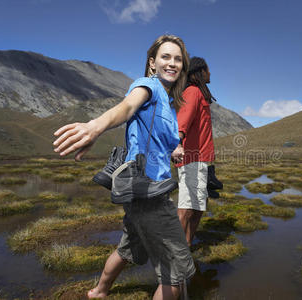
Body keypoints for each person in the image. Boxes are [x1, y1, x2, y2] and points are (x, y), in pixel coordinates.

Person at [53, 35, 195, 300]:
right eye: (166, 57)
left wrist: (173, 150)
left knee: (127, 248)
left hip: (136, 193)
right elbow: (127, 107)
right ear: (152, 63)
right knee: (176, 272)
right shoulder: (147, 86)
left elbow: (152, 138)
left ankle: (99, 291)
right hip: (150, 194)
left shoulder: (166, 100)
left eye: (178, 59)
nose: (172, 63)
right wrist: (95, 126)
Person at [172, 57, 215, 247]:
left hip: (200, 158)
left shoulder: (199, 93)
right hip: (191, 158)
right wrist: (178, 142)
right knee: (187, 207)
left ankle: (186, 244)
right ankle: (177, 254)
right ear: (200, 71)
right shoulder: (192, 92)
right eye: (208, 70)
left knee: (198, 206)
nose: (210, 73)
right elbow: (183, 120)